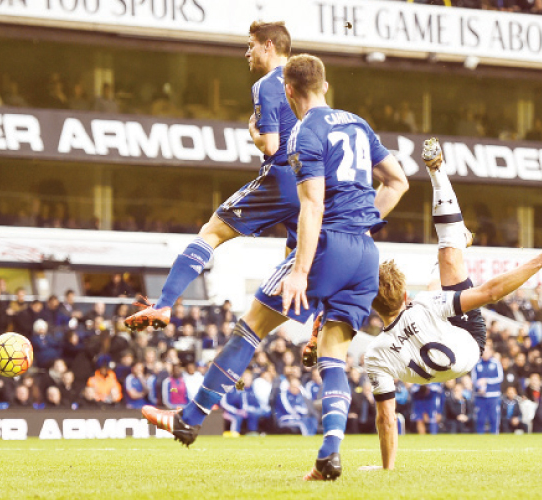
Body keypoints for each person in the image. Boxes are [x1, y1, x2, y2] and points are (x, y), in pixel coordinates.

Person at [141, 53, 408, 482]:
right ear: (325, 83)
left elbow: (312, 204)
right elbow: (398, 182)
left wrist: (300, 270)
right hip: (365, 253)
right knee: (333, 359)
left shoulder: (304, 131)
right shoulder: (357, 122)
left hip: (326, 246)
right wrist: (364, 222)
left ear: (288, 90)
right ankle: (328, 455)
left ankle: (190, 419)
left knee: (250, 328)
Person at [363, 138, 542, 469]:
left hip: (445, 354)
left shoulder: (374, 354)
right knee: (447, 254)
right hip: (468, 341)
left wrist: (387, 468)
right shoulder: (423, 304)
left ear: (371, 308)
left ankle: (458, 241)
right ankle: (439, 179)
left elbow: (386, 418)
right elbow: (491, 292)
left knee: (442, 274)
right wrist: (541, 260)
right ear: (403, 296)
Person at [124, 21, 301, 331]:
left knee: (211, 232)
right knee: (297, 258)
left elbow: (271, 145)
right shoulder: (306, 82)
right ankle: (316, 328)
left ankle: (164, 306)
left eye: (251, 45)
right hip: (312, 183)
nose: (247, 53)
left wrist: (253, 133)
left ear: (268, 45)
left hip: (282, 177)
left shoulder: (266, 84)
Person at [472, 343, 504, 434]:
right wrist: (479, 386)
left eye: (487, 351)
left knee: (493, 418)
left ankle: (494, 436)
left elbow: (500, 378)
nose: (485, 353)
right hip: (480, 396)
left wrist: (487, 381)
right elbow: (474, 379)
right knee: (480, 419)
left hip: (493, 395)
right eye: (484, 352)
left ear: (491, 352)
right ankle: (480, 437)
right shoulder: (477, 364)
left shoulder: (496, 363)